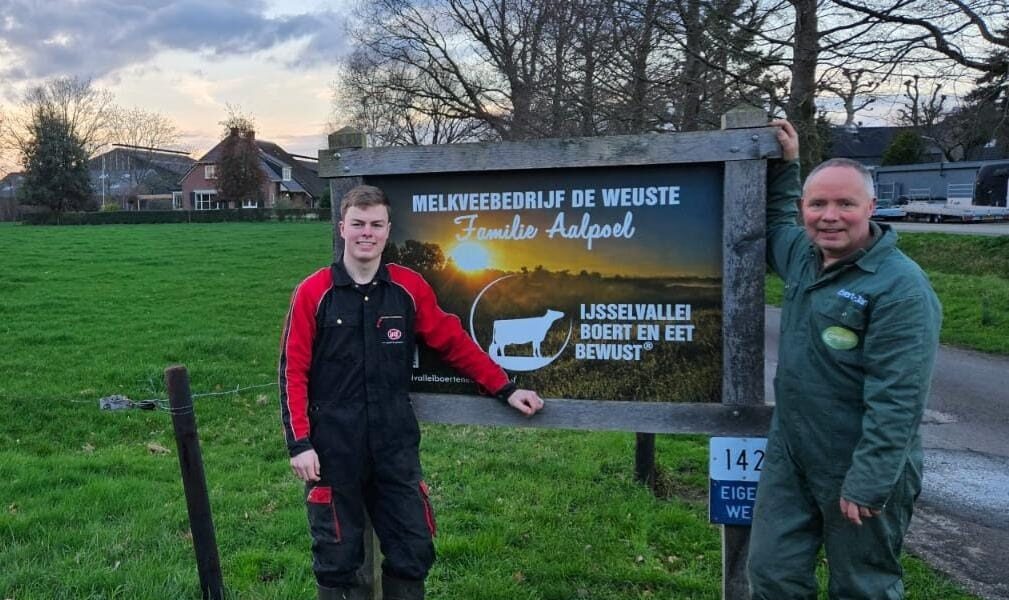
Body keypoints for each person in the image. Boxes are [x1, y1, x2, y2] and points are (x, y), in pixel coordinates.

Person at [278, 184, 544, 600]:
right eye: (358, 224)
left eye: (376, 225)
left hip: (394, 443)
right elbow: (292, 371)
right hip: (333, 447)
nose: (367, 232)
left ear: (387, 230)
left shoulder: (408, 288)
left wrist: (504, 387)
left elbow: (453, 343)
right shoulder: (313, 293)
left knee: (412, 550)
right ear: (342, 227)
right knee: (337, 559)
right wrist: (300, 444)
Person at [747, 120, 942, 599]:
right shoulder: (801, 255)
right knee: (772, 572)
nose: (829, 216)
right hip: (791, 453)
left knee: (862, 586)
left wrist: (869, 480)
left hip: (857, 459)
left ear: (871, 208)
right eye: (818, 204)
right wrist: (788, 166)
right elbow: (773, 222)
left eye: (845, 204)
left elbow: (899, 397)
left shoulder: (900, 288)